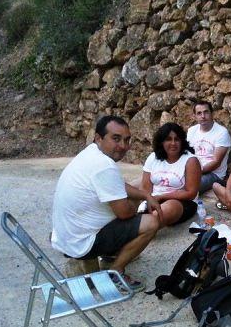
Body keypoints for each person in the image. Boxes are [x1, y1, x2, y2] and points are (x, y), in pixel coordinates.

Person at [51, 115, 161, 289]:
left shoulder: (91, 153)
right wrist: (138, 202)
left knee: (132, 194)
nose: (123, 146)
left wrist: (144, 195)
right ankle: (115, 272)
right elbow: (124, 213)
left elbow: (116, 184)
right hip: (82, 244)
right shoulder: (104, 166)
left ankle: (111, 255)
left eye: (127, 140)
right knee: (150, 223)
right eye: (116, 139)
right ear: (98, 138)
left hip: (68, 238)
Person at [141, 122, 201, 227]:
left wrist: (161, 197)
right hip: (155, 199)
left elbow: (191, 193)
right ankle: (143, 221)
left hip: (181, 202)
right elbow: (145, 188)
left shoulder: (191, 160)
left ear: (182, 141)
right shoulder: (153, 157)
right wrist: (149, 200)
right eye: (168, 139)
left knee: (169, 207)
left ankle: (143, 225)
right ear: (162, 142)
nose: (173, 143)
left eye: (177, 139)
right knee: (131, 190)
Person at [186, 101, 231, 194]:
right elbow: (187, 155)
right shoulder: (191, 131)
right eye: (199, 113)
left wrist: (195, 172)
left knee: (190, 187)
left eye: (206, 112)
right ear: (194, 116)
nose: (203, 116)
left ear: (212, 113)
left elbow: (216, 162)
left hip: (214, 174)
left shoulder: (221, 132)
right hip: (194, 170)